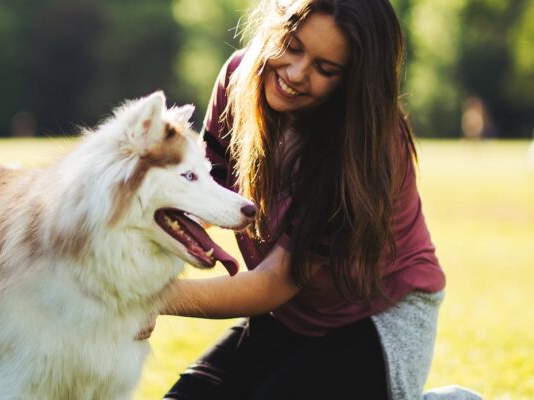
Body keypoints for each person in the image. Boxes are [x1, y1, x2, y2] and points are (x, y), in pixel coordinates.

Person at [143, 0, 449, 398]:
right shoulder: (240, 78)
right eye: (293, 45)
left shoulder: (366, 146)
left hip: (379, 319)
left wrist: (149, 297)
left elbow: (274, 282)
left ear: (352, 80)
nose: (295, 73)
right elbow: (206, 202)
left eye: (325, 69)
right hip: (293, 316)